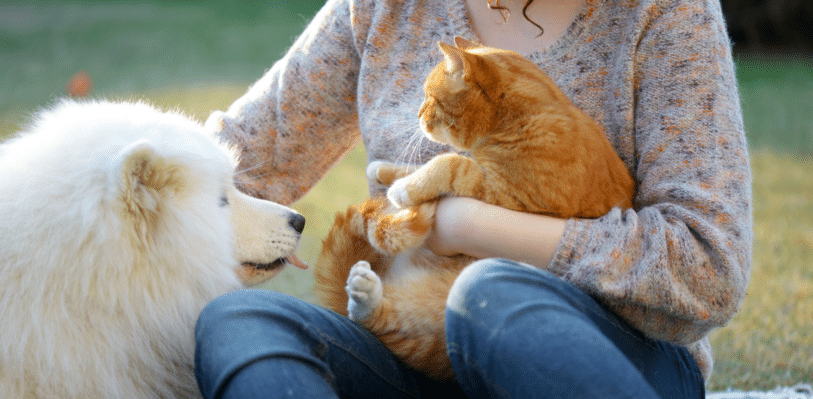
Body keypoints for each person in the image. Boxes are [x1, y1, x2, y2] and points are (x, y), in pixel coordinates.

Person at [194, 0, 752, 397]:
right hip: (411, 345)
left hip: (612, 356)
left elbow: (708, 265)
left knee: (487, 294)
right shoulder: (384, 7)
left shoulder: (664, 13)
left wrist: (467, 225)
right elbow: (234, 159)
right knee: (238, 320)